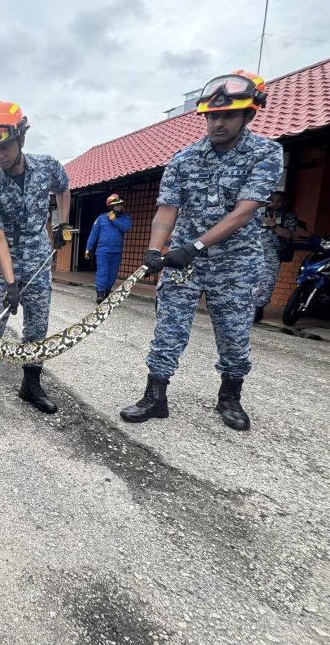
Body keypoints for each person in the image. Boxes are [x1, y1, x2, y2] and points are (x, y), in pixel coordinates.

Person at [120, 70, 283, 432]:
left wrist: (193, 246)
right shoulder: (183, 159)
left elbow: (245, 209)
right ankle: (155, 397)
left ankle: (229, 398)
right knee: (169, 329)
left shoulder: (266, 153)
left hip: (235, 263)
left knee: (234, 334)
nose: (218, 123)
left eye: (227, 115)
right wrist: (152, 249)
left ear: (248, 115)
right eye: (213, 116)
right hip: (183, 261)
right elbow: (166, 210)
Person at [0, 101, 70, 418]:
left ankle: (31, 385)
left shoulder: (48, 166)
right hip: (2, 264)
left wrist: (62, 223)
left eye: (4, 147)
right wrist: (10, 284)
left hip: (38, 259)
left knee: (37, 325)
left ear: (21, 138)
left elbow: (64, 189)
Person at [255, 190, 297, 322]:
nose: (275, 203)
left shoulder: (288, 216)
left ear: (284, 202)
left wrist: (273, 225)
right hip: (253, 253)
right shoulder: (259, 213)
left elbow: (289, 234)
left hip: (272, 256)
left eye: (279, 201)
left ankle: (258, 308)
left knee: (267, 283)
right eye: (272, 200)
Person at [85, 194, 132, 304]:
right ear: (111, 206)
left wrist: (114, 220)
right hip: (102, 251)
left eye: (121, 204)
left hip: (116, 252)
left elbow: (125, 228)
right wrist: (88, 248)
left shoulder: (125, 218)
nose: (120, 206)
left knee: (112, 275)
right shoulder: (101, 218)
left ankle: (106, 292)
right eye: (117, 205)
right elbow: (94, 234)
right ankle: (100, 294)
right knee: (102, 272)